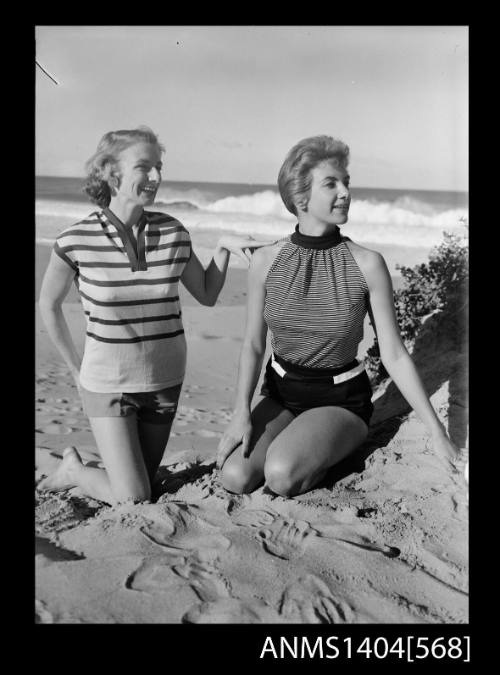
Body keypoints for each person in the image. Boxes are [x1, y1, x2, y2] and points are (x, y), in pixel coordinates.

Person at [216, 135, 460, 497]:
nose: (345, 192)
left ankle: (324, 448)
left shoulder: (367, 264)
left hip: (340, 400)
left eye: (346, 182)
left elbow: (393, 353)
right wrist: (241, 413)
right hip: (282, 394)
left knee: (281, 475)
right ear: (300, 197)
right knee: (234, 476)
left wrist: (438, 433)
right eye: (331, 183)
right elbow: (253, 344)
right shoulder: (266, 262)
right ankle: (302, 445)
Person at [38, 126, 268, 505]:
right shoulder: (74, 240)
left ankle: (83, 471)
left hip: (165, 381)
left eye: (159, 167)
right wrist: (76, 370)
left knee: (142, 484)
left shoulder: (173, 232)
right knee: (134, 496)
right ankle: (75, 470)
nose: (157, 178)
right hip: (108, 383)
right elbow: (48, 305)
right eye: (144, 167)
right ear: (111, 172)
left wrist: (223, 247)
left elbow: (207, 293)